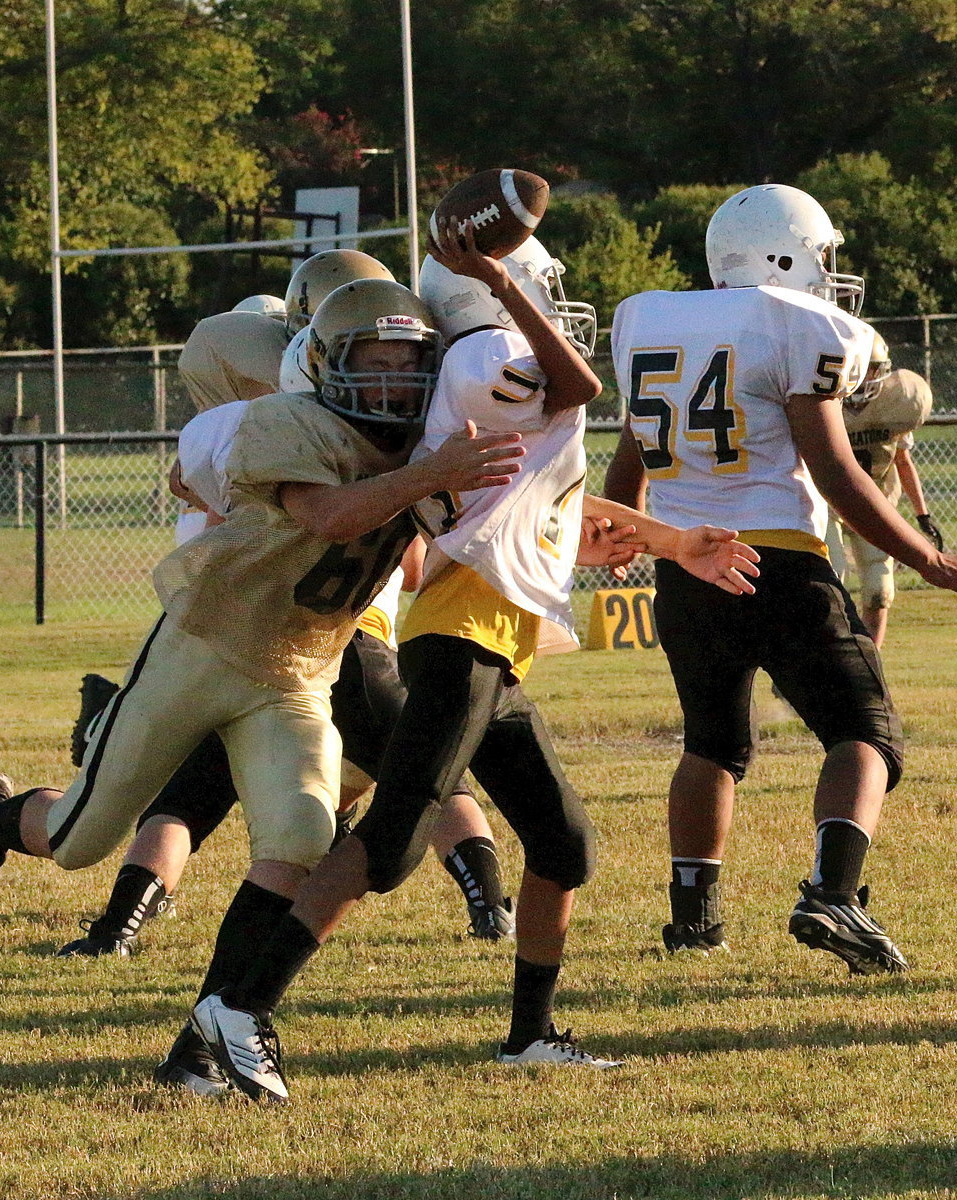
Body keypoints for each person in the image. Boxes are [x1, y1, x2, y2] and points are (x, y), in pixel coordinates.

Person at [187, 216, 762, 1103]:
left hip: (490, 642)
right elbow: (576, 384)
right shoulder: (486, 358)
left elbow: (547, 508)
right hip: (461, 640)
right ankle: (238, 1006)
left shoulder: (479, 382)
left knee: (564, 845)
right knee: (391, 841)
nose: (552, 304)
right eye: (538, 286)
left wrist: (674, 541)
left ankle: (529, 1036)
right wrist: (502, 283)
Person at [0, 279, 529, 1097]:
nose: (392, 380)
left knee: (301, 839)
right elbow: (328, 515)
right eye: (375, 359)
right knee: (79, 838)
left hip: (298, 675)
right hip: (201, 653)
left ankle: (204, 1038)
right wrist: (431, 474)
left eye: (408, 363)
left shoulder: (426, 443)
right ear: (327, 361)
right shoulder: (286, 420)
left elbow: (444, 541)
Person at [604, 183, 957, 973]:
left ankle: (694, 921)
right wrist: (931, 559)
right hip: (778, 560)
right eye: (819, 256)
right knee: (866, 733)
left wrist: (636, 538)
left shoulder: (650, 319)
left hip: (687, 566)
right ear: (783, 257)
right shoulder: (796, 323)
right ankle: (834, 894)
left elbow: (627, 468)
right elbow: (837, 472)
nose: (827, 273)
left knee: (712, 744)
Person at [824, 332, 942, 647]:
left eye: (872, 370)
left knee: (880, 590)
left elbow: (903, 462)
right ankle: (825, 656)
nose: (865, 379)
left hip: (875, 500)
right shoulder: (823, 404)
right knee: (830, 580)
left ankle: (871, 659)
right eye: (861, 370)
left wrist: (922, 514)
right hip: (826, 502)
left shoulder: (894, 403)